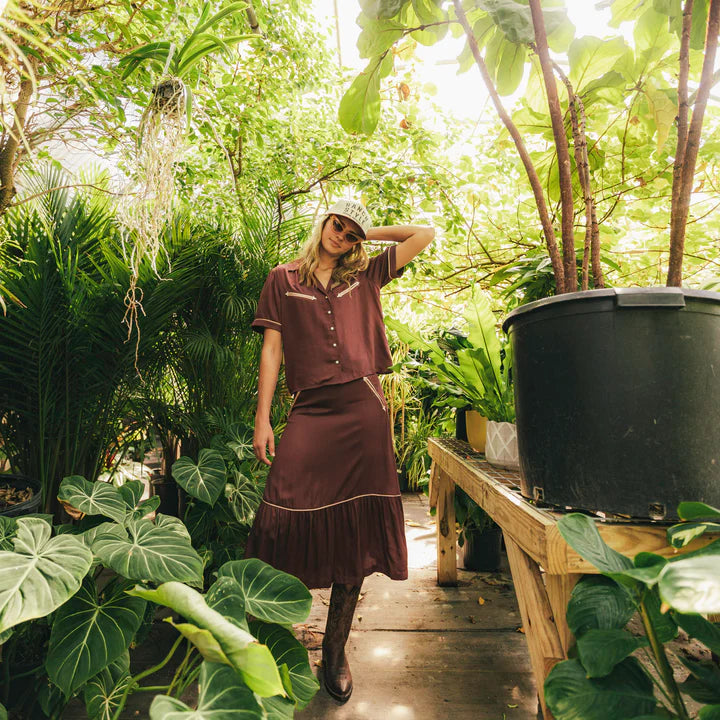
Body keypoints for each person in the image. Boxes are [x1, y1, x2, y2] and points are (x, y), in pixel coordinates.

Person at [245, 198, 434, 703]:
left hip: (362, 409)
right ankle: (266, 637)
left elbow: (424, 233)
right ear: (323, 221)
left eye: (351, 233)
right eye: (338, 225)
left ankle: (334, 650)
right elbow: (272, 349)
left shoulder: (366, 274)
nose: (342, 236)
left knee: (357, 526)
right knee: (280, 509)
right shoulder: (282, 278)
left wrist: (368, 231)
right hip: (311, 408)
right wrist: (263, 418)